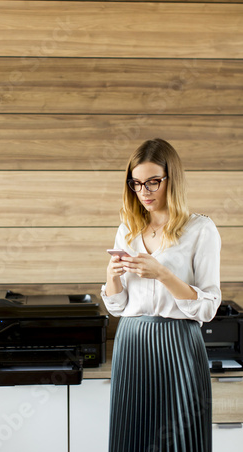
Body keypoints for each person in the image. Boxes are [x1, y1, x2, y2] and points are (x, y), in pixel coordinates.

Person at [101, 138, 221, 452]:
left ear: (172, 179)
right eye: (137, 183)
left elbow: (209, 306)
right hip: (131, 342)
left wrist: (164, 275)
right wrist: (111, 278)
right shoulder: (127, 228)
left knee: (180, 439)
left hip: (178, 342)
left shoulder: (201, 230)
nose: (145, 192)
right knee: (133, 436)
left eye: (153, 181)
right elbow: (119, 306)